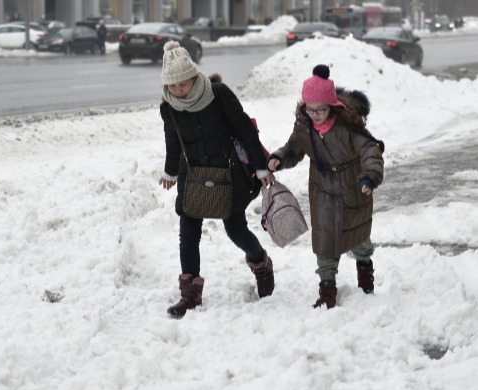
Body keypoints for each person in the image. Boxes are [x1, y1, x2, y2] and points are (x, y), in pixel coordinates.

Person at [158, 41, 275, 318]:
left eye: (183, 84)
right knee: (188, 235)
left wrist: (260, 166)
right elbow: (172, 142)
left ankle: (261, 263)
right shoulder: (170, 107)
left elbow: (245, 129)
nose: (178, 91)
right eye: (172, 86)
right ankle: (189, 295)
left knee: (235, 231)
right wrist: (170, 171)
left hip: (228, 174)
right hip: (193, 176)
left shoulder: (218, 94)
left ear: (193, 76)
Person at [267, 65, 384, 309]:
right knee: (325, 238)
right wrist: (279, 157)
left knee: (358, 235)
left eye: (321, 109)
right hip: (322, 189)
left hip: (353, 184)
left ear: (331, 106)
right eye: (310, 109)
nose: (316, 114)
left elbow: (369, 150)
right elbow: (293, 149)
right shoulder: (304, 126)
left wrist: (370, 176)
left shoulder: (347, 125)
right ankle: (327, 289)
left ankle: (365, 270)